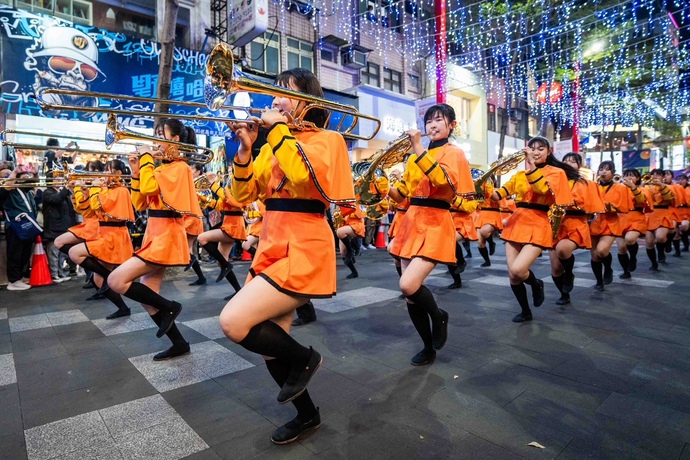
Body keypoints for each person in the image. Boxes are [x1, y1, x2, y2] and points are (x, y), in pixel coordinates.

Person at [224, 68, 355, 445]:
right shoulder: (270, 146)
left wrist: (276, 131)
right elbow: (243, 197)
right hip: (271, 246)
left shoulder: (328, 140)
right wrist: (247, 151)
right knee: (269, 349)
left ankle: (305, 359)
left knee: (234, 323)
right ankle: (308, 415)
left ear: (308, 100)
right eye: (274, 93)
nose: (275, 100)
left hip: (304, 247)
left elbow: (303, 178)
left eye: (284, 92)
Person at [106, 119, 202, 360]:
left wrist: (146, 160)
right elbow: (140, 202)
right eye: (156, 133)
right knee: (149, 299)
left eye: (161, 134)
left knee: (116, 280)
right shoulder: (161, 169)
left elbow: (149, 190)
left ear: (175, 140)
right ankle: (179, 343)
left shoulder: (179, 168)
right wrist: (137, 170)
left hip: (167, 235)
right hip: (155, 232)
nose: (155, 139)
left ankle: (171, 307)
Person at [388, 103, 474, 365]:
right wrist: (378, 182)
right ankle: (428, 346)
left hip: (436, 222)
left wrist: (417, 148)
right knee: (411, 298)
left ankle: (439, 315)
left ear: (452, 125)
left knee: (408, 285)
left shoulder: (454, 153)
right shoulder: (415, 158)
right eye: (429, 121)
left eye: (439, 120)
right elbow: (401, 194)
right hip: (411, 221)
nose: (432, 126)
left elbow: (443, 182)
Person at [490, 136, 575, 322]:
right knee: (513, 275)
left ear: (549, 151)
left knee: (520, 270)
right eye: (532, 148)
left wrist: (531, 165)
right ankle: (525, 311)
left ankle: (536, 284)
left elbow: (541, 189)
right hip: (516, 222)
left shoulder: (556, 172)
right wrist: (485, 187)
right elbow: (500, 193)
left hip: (538, 222)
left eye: (540, 149)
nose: (535, 152)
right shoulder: (520, 175)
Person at [64, 160, 134, 319]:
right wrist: (76, 191)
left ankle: (119, 292)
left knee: (75, 253)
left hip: (114, 237)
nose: (104, 174)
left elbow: (97, 205)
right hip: (105, 235)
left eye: (109, 171)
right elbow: (86, 212)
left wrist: (95, 187)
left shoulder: (121, 190)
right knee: (98, 279)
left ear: (118, 174)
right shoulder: (105, 189)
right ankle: (123, 308)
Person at [549, 153, 605, 305]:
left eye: (573, 161)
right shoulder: (554, 181)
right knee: (555, 268)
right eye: (565, 160)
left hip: (576, 222)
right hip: (555, 224)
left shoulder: (586, 184)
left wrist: (573, 202)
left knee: (562, 250)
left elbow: (592, 209)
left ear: (579, 165)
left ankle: (569, 274)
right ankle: (564, 294)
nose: (568, 163)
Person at [198, 169, 247, 299]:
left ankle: (227, 266)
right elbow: (221, 206)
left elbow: (232, 201)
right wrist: (202, 197)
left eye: (232, 171)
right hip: (228, 224)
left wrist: (213, 183)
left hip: (234, 226)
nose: (230, 173)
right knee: (221, 262)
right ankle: (238, 290)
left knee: (202, 238)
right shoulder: (228, 187)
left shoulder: (241, 188)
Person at [589, 161, 635, 290]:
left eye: (607, 170)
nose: (603, 172)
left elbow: (624, 208)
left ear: (613, 173)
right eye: (601, 169)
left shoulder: (620, 188)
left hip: (610, 223)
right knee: (595, 256)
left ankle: (608, 268)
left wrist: (612, 207)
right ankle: (599, 281)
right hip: (593, 223)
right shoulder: (592, 186)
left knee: (602, 250)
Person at [0, 166, 38, 291]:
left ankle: (19, 277)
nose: (9, 175)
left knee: (25, 253)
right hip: (14, 226)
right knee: (15, 254)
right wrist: (15, 172)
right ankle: (13, 280)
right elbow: (7, 186)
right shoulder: (5, 189)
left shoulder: (21, 188)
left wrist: (35, 172)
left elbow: (33, 183)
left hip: (26, 225)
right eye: (6, 174)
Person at [616, 169, 653, 279]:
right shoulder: (619, 188)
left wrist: (632, 188)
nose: (629, 178)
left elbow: (642, 200)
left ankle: (633, 257)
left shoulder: (643, 189)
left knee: (630, 239)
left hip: (636, 218)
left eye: (632, 176)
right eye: (626, 175)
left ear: (637, 178)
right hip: (620, 218)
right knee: (621, 248)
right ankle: (626, 271)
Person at [42, 177, 77, 283]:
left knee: (62, 254)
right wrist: (66, 189)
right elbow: (56, 200)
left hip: (64, 227)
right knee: (54, 253)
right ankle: (54, 274)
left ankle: (60, 273)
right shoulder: (47, 192)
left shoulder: (62, 192)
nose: (59, 181)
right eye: (56, 179)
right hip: (54, 228)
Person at [644, 168, 675, 270]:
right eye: (653, 174)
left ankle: (661, 251)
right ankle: (654, 263)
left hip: (663, 213)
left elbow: (668, 199)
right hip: (649, 214)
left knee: (661, 237)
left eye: (658, 175)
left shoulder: (669, 187)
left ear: (663, 177)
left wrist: (661, 186)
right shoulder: (646, 186)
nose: (655, 177)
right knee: (649, 242)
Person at [336, 204, 366, 279]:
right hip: (345, 225)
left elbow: (361, 214)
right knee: (343, 253)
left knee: (340, 232)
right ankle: (354, 272)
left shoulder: (356, 200)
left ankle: (351, 250)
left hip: (356, 224)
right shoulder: (341, 202)